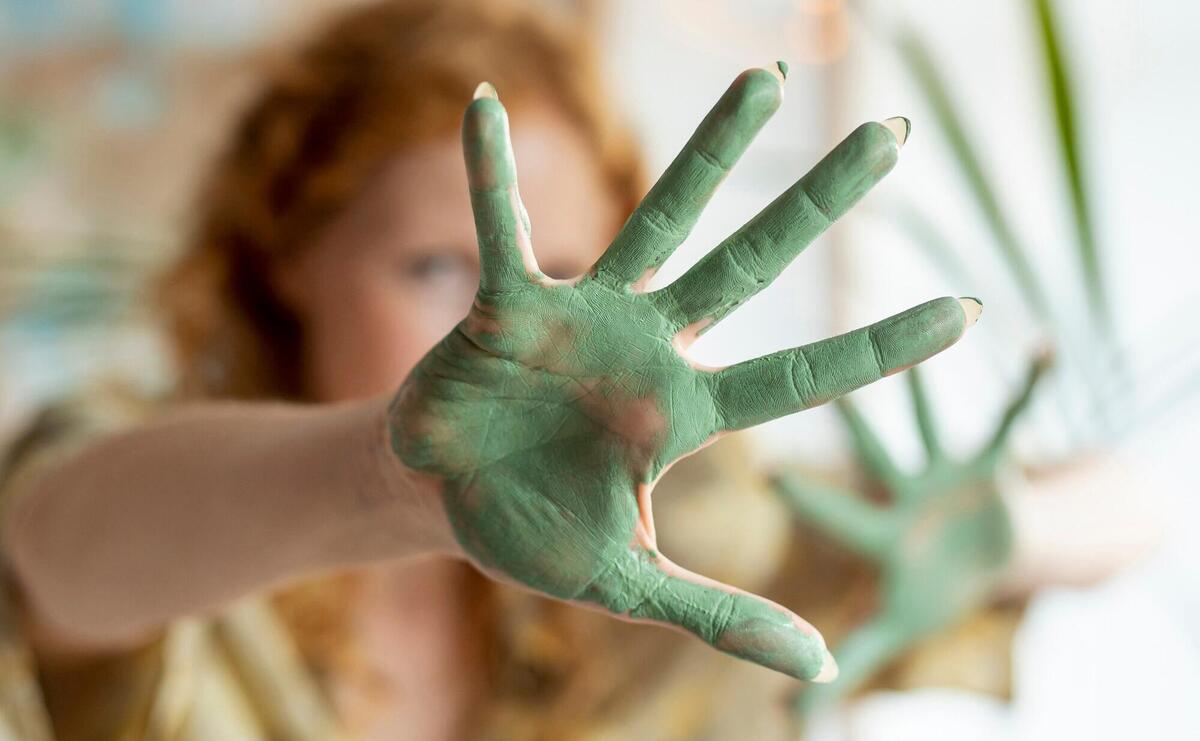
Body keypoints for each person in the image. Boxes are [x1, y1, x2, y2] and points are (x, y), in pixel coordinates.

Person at [0, 1, 979, 738]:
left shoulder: (682, 522)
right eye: (435, 268)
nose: (520, 341)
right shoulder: (147, 469)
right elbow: (52, 552)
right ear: (288, 253)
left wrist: (1005, 531)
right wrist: (391, 478)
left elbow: (1104, 513)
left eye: (567, 280)